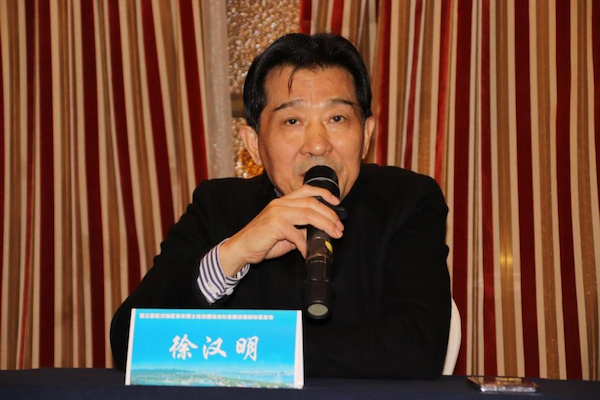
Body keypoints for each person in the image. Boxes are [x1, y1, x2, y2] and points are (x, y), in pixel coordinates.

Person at [110, 33, 451, 379]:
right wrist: (233, 255)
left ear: (366, 134)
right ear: (254, 144)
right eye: (292, 121)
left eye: (337, 118)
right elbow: (131, 342)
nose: (317, 145)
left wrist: (255, 352)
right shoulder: (217, 206)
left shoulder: (407, 200)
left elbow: (417, 350)